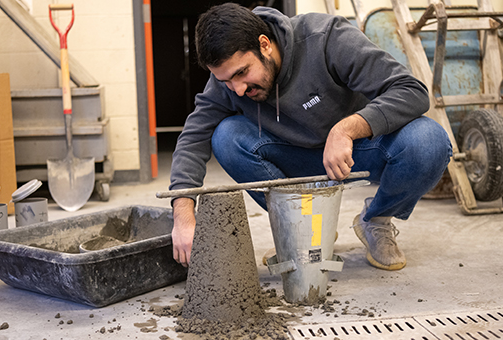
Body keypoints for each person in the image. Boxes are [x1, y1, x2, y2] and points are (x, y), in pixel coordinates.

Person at [168, 3, 451, 271]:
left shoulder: (325, 37)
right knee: (225, 137)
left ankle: (375, 220)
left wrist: (347, 129)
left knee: (429, 142)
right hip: (291, 155)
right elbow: (193, 137)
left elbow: (411, 91)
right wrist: (182, 214)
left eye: (242, 73)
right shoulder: (228, 81)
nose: (238, 89)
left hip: (354, 152)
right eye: (226, 80)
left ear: (264, 45)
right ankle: (305, 229)